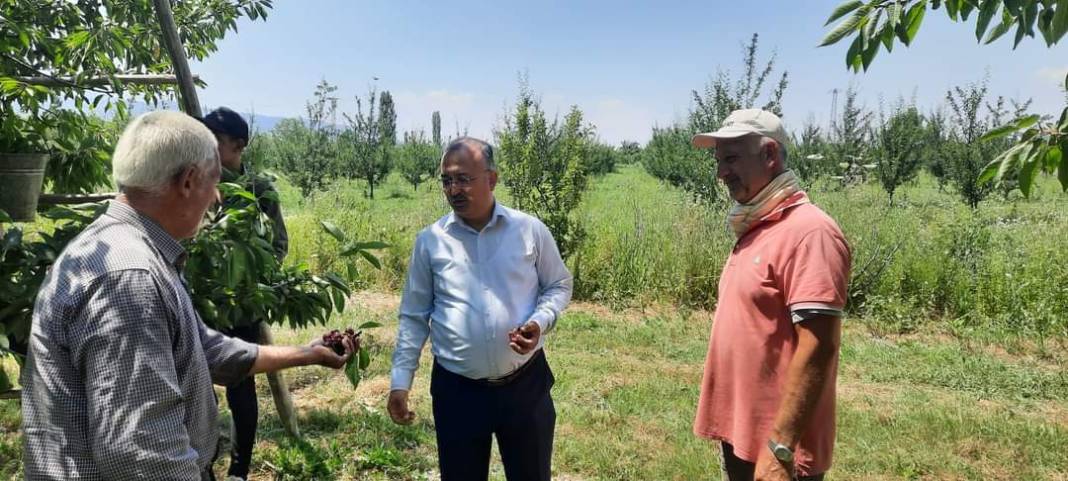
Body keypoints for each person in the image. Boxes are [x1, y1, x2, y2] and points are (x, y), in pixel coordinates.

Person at [20, 110, 353, 481]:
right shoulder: (130, 279)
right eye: (214, 184)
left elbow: (204, 348)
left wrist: (308, 354)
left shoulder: (119, 247)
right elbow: (143, 457)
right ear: (189, 181)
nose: (215, 200)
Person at [386, 137, 573, 481]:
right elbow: (414, 316)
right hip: (457, 392)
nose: (454, 189)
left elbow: (558, 285)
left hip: (524, 387)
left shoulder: (529, 230)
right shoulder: (430, 241)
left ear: (492, 179)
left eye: (463, 179)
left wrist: (540, 321)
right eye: (446, 180)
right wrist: (400, 382)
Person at [690, 110, 851, 481]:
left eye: (731, 158)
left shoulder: (811, 233)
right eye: (719, 161)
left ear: (770, 154)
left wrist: (781, 447)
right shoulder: (758, 224)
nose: (721, 173)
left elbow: (820, 347)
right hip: (745, 435)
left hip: (778, 448)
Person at [200, 106, 287, 481]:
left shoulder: (259, 189)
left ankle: (239, 469)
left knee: (240, 382)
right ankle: (199, 463)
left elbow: (279, 242)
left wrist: (255, 280)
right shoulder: (197, 183)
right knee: (196, 383)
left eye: (216, 142)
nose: (209, 148)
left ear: (239, 146)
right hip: (200, 300)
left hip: (240, 305)